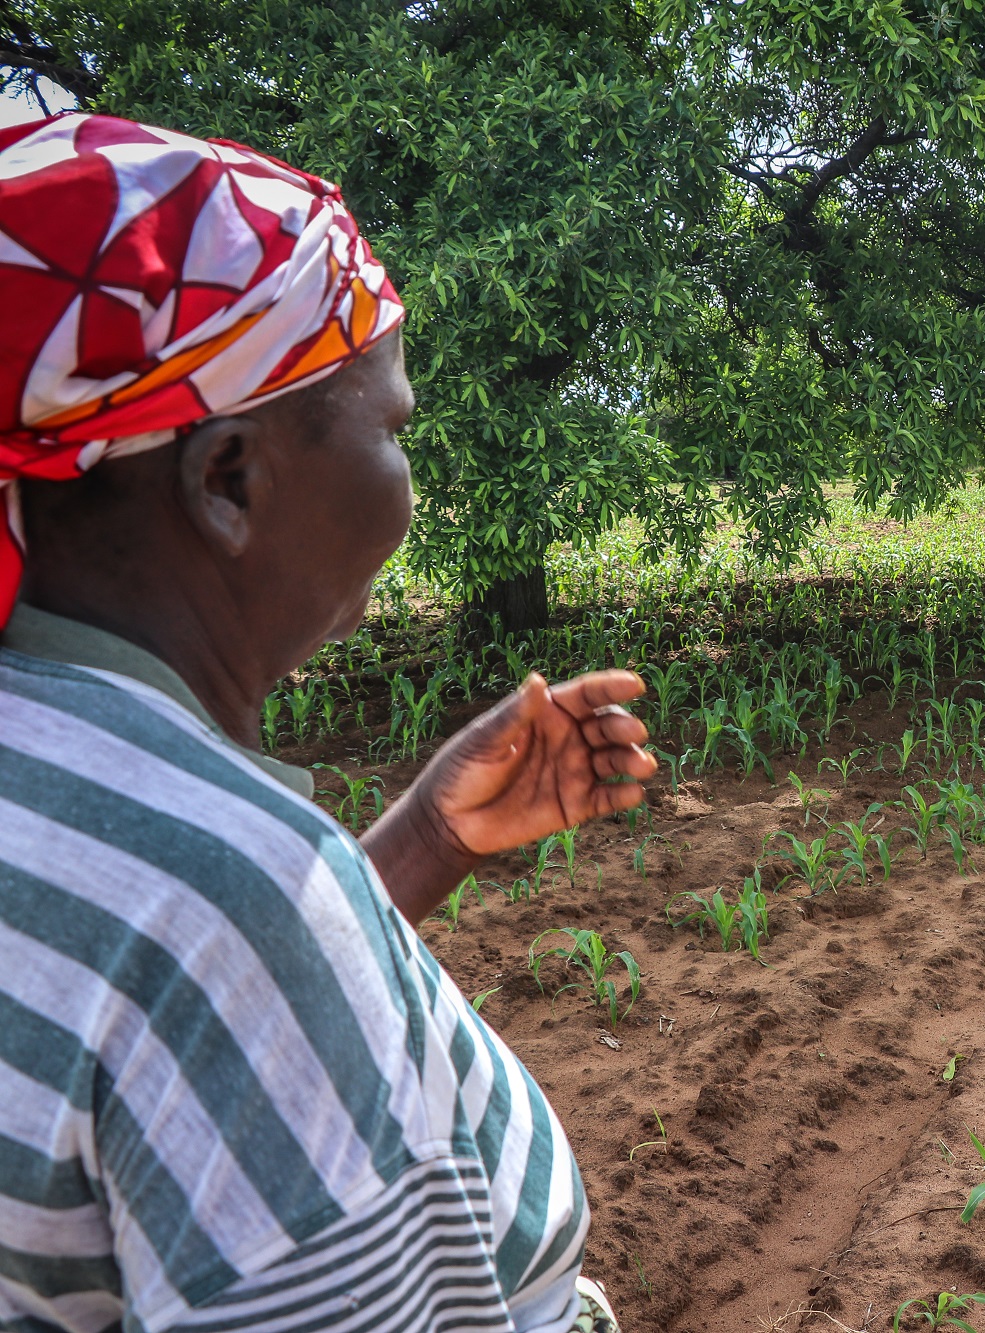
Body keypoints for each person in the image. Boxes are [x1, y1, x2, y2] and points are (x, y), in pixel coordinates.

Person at [0, 112, 656, 1332]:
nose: (410, 478)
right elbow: (209, 959)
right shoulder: (228, 897)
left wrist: (413, 847)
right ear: (229, 479)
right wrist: (292, 893)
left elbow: (157, 1048)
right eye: (391, 427)